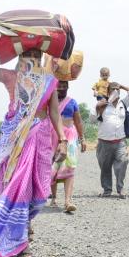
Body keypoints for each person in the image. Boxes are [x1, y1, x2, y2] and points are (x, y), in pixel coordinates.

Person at [0, 26, 67, 257]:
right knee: (18, 189)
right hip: (15, 141)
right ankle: (21, 245)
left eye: (36, 57)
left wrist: (63, 139)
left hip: (41, 139)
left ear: (41, 59)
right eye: (27, 56)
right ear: (20, 58)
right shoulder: (10, 77)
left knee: (37, 191)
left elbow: (54, 113)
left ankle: (22, 231)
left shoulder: (49, 82)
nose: (31, 60)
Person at [95, 81, 129, 199]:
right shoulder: (102, 104)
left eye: (117, 90)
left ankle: (120, 188)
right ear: (108, 92)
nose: (115, 91)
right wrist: (99, 107)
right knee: (105, 167)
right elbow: (92, 118)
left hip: (120, 141)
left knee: (123, 161)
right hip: (104, 142)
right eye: (113, 89)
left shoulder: (122, 103)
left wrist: (122, 86)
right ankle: (107, 190)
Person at [50, 81, 87, 212]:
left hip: (70, 137)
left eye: (64, 86)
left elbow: (78, 121)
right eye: (59, 86)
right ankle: (53, 198)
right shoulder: (48, 101)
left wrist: (82, 139)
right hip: (51, 136)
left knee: (69, 167)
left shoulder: (72, 102)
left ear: (68, 87)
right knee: (53, 167)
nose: (62, 88)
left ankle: (68, 201)